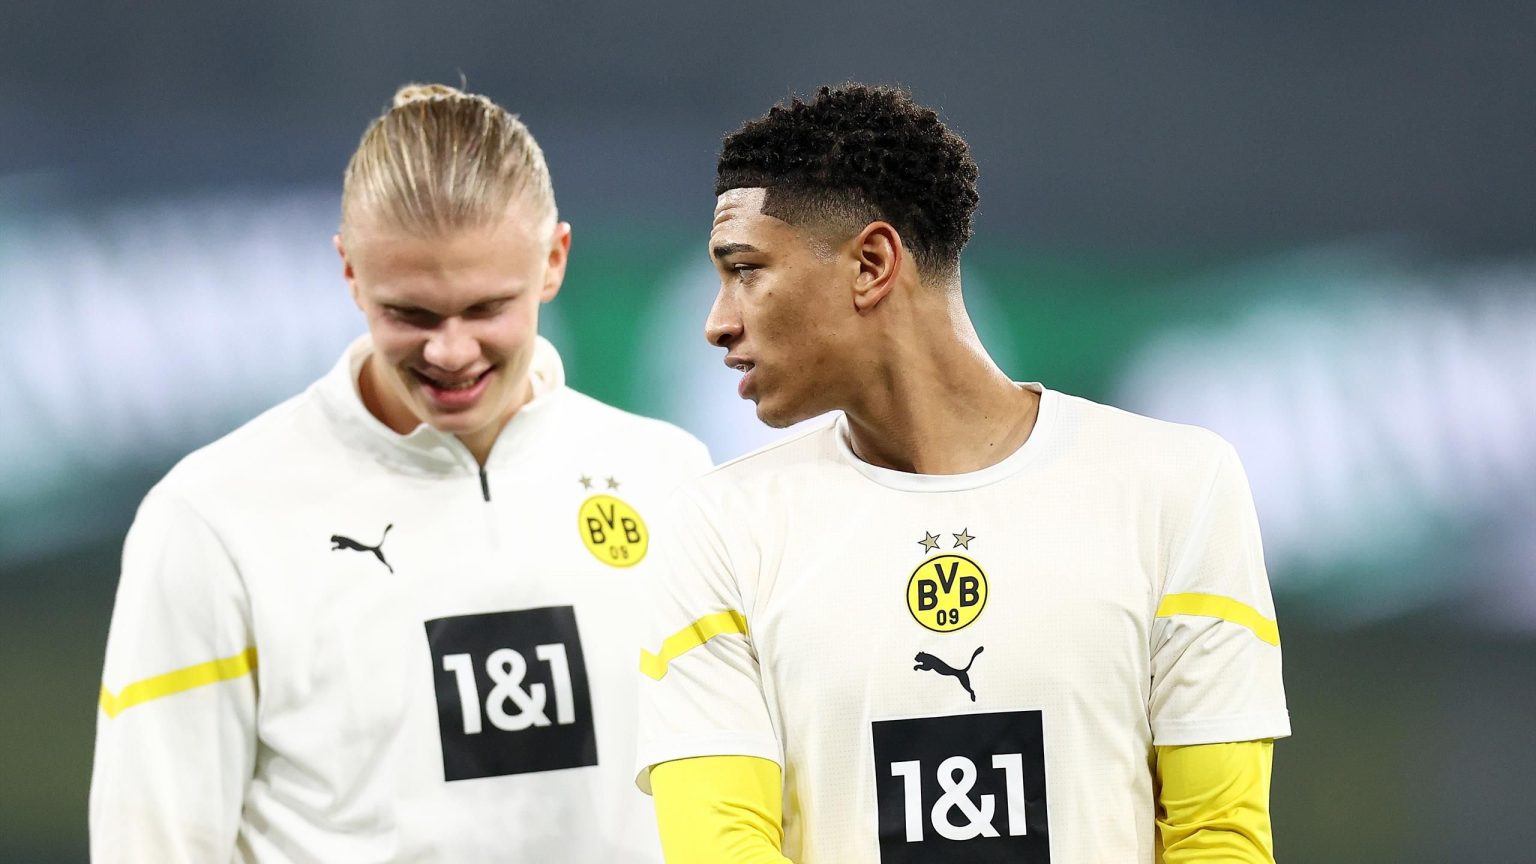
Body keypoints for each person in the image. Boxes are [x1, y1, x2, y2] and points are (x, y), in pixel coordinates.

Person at [637, 84, 1289, 863]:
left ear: (872, 264)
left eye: (745, 269)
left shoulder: (1178, 488)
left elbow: (1217, 839)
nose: (718, 323)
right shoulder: (717, 530)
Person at [90, 83, 710, 862]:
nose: (450, 351)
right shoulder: (211, 520)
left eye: (486, 309)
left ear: (554, 261)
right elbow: (152, 841)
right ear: (350, 272)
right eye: (410, 314)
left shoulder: (670, 479)